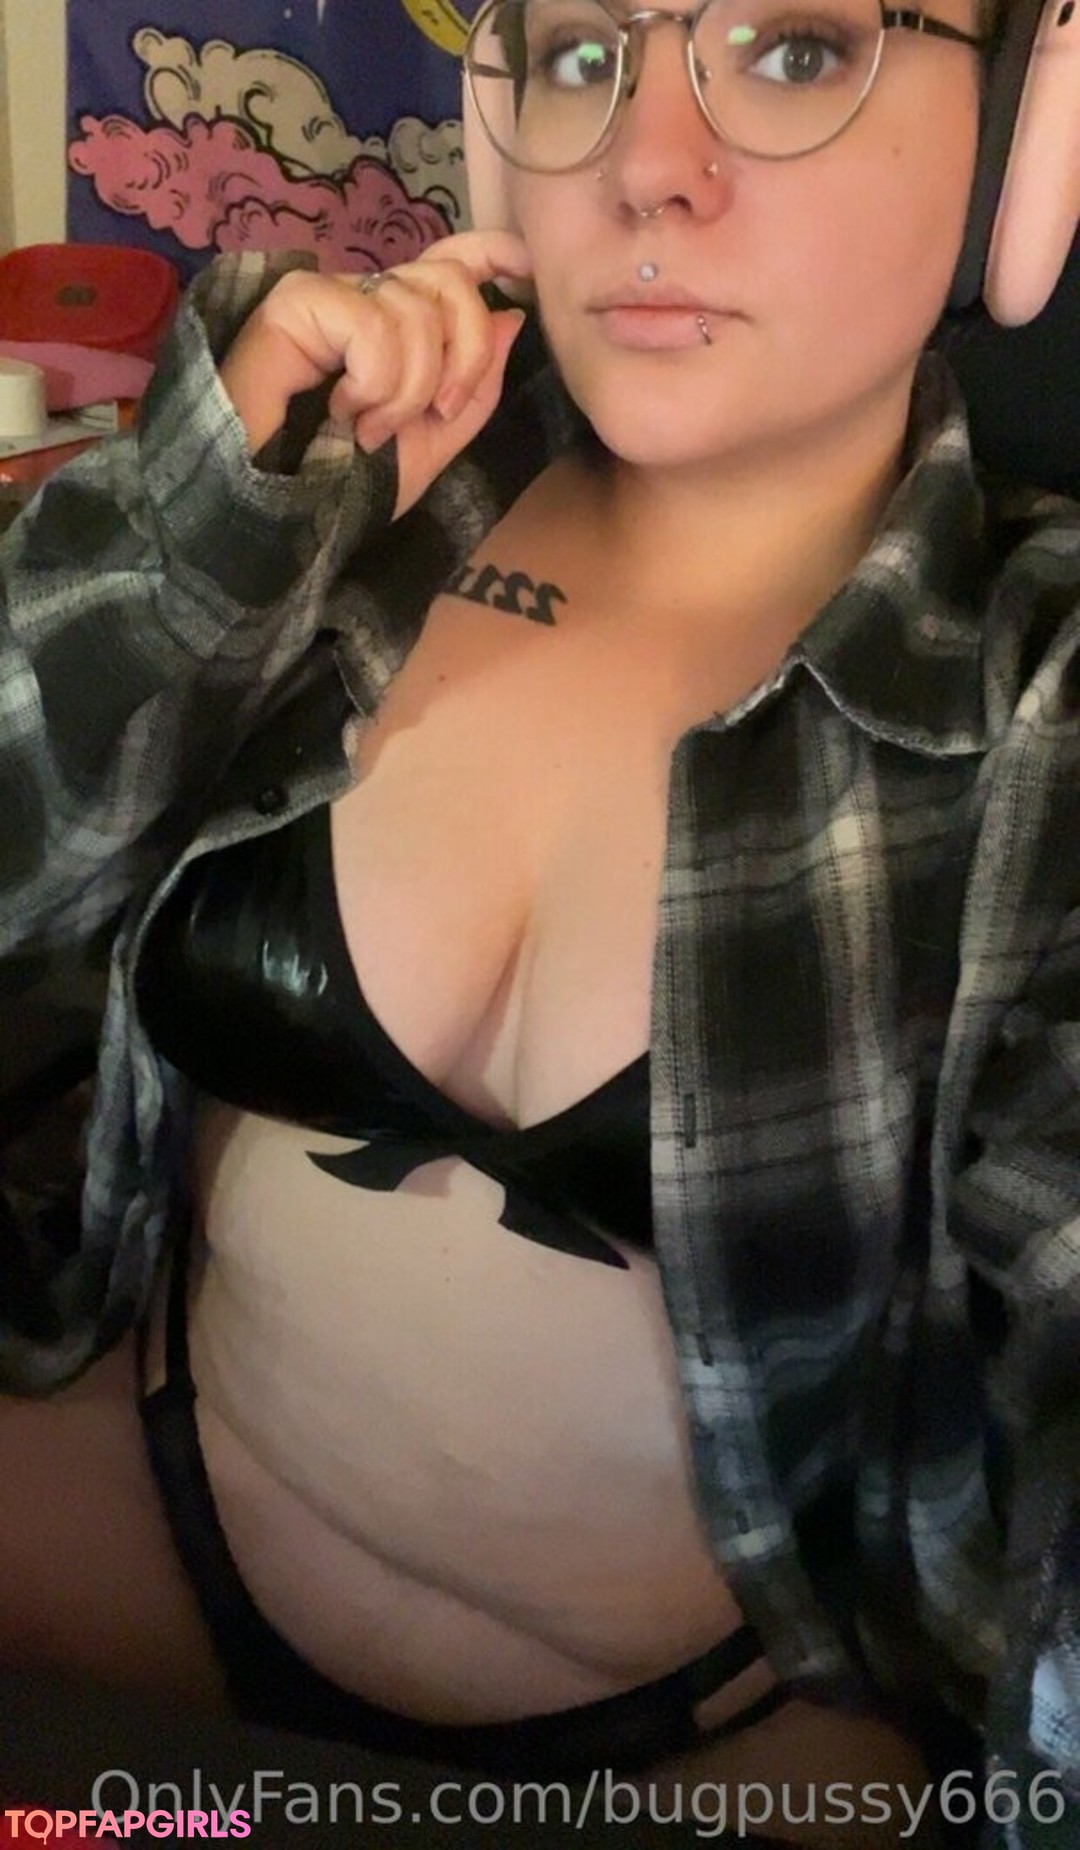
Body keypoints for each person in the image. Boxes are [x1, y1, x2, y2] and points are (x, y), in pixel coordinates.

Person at [0, 0, 1077, 1842]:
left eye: (796, 50)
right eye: (583, 54)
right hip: (133, 1519)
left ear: (1023, 132)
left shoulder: (1038, 702)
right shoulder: (343, 455)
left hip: (717, 1747)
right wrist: (208, 534)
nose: (647, 167)